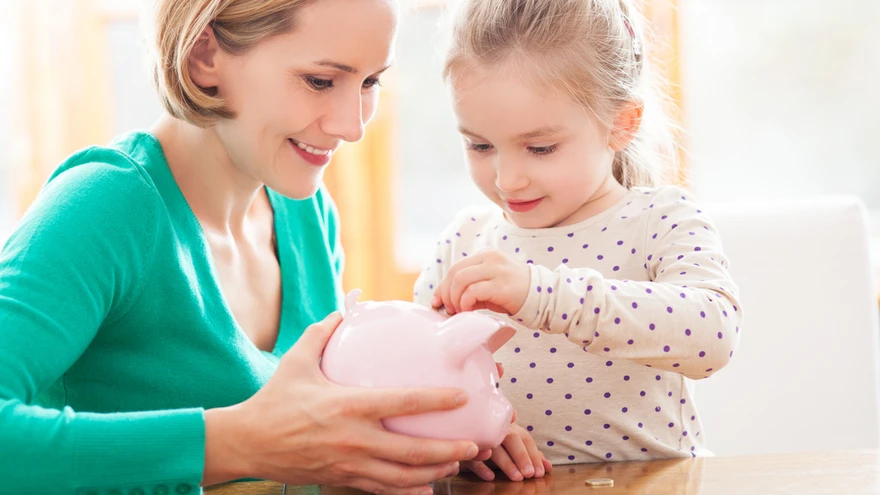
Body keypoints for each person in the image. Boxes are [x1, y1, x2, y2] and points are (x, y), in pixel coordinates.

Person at [0, 1, 485, 494]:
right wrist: (238, 443)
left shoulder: (306, 214)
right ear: (203, 57)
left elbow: (317, 439)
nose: (352, 126)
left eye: (369, 82)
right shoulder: (104, 205)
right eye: (320, 81)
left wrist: (458, 435)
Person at [413, 0, 743, 481]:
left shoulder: (660, 220)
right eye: (480, 145)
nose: (508, 179)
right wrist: (466, 436)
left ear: (620, 124)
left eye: (540, 148)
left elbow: (713, 335)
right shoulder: (464, 240)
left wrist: (544, 296)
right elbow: (415, 381)